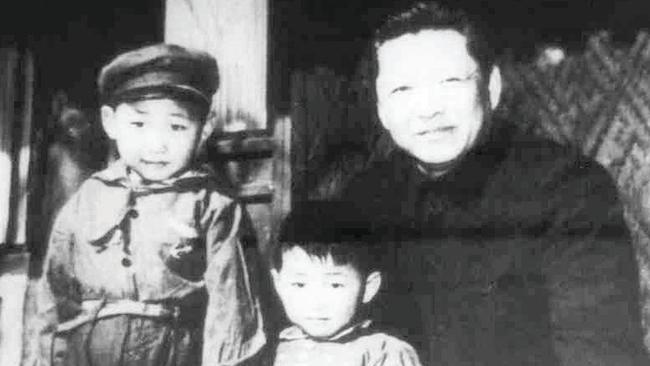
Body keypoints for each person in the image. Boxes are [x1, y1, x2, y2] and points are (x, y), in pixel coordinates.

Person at [341, 2, 650, 365]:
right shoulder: (363, 198)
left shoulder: (569, 187)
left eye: (450, 81)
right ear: (382, 110)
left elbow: (602, 356)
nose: (427, 108)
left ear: (492, 87)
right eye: (402, 90)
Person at [27, 44, 265, 366]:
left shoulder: (213, 206)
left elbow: (233, 312)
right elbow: (53, 304)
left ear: (205, 129)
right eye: (139, 124)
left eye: (177, 126)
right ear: (110, 122)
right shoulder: (86, 201)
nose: (157, 143)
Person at [269, 202, 422, 366]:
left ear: (369, 288)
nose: (315, 302)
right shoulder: (274, 349)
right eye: (299, 285)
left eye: (335, 285)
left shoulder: (384, 352)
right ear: (278, 284)